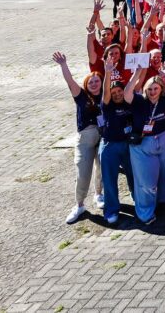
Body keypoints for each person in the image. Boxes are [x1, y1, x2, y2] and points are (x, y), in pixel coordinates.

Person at [52, 52, 105, 224]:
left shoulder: (107, 95)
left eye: (97, 81)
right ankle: (79, 204)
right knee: (83, 172)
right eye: (91, 82)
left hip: (103, 136)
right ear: (86, 84)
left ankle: (99, 194)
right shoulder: (81, 96)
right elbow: (70, 81)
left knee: (102, 169)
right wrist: (63, 65)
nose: (95, 83)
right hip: (85, 137)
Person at [124, 70, 165, 225]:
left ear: (161, 89)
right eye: (149, 89)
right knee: (146, 181)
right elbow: (127, 94)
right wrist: (136, 74)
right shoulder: (138, 101)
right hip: (143, 144)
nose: (152, 92)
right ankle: (145, 212)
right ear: (145, 90)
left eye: (156, 88)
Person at [97, 67, 136, 225]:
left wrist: (139, 70)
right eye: (114, 93)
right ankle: (112, 210)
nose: (117, 94)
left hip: (128, 145)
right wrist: (107, 72)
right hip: (110, 146)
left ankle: (138, 201)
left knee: (134, 175)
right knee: (109, 179)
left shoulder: (129, 102)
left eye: (119, 91)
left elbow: (134, 84)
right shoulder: (107, 105)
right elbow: (106, 90)